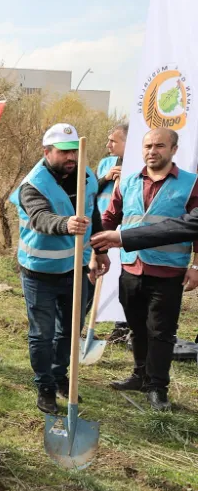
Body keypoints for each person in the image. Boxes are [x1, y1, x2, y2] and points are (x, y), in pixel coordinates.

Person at [91, 128, 198, 411]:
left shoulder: (190, 184)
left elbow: (195, 228)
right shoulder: (127, 182)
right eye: (148, 146)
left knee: (161, 332)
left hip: (168, 271)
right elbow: (110, 217)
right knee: (136, 327)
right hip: (131, 268)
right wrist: (98, 252)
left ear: (174, 150)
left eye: (159, 146)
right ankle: (140, 375)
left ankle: (157, 387)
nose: (152, 151)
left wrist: (196, 265)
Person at [8, 124, 105, 415]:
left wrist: (99, 250)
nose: (71, 157)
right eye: (63, 152)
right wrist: (66, 224)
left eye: (74, 151)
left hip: (76, 268)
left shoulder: (87, 176)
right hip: (39, 272)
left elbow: (93, 214)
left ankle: (60, 376)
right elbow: (40, 218)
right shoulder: (32, 185)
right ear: (47, 152)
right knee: (42, 333)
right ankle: (45, 387)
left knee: (70, 329)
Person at [96, 123, 131, 344]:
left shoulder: (140, 165)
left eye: (113, 141)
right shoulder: (105, 164)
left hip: (126, 233)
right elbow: (89, 191)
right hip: (103, 228)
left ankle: (122, 327)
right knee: (99, 277)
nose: (108, 145)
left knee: (123, 281)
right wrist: (106, 178)